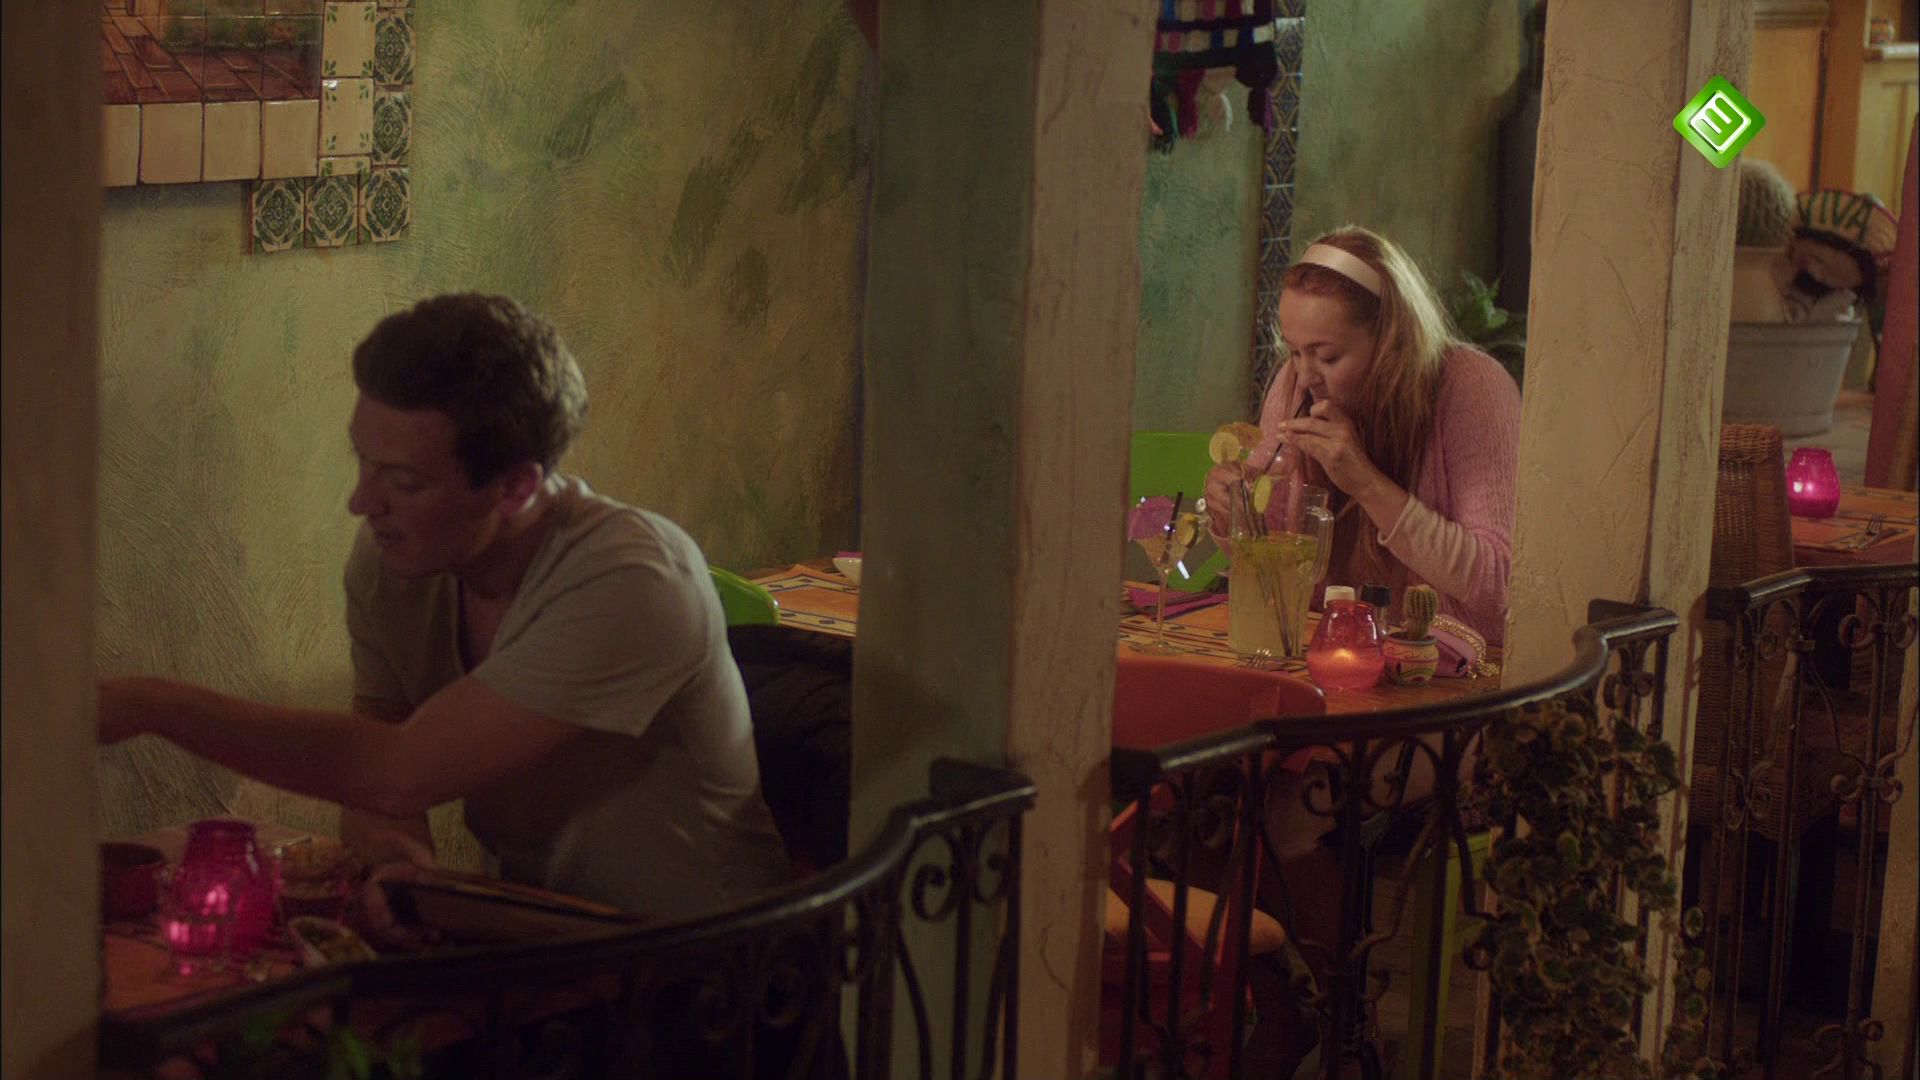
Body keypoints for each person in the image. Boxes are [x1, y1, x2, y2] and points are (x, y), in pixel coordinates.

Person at [97, 294, 790, 929]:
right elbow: (380, 772)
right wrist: (394, 856)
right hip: (536, 950)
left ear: (516, 487)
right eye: (362, 462)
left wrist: (155, 706)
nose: (362, 503)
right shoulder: (395, 565)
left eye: (404, 481)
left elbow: (394, 769)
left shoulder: (635, 578)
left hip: (705, 972)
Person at [1205, 225, 1520, 646]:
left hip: (1450, 663)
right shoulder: (1295, 385)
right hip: (1331, 649)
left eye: (1328, 356)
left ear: (1390, 342)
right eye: (1294, 351)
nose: (1306, 375)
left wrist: (1366, 483)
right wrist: (1234, 514)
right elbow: (1274, 563)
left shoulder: (1473, 386)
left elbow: (1501, 584)